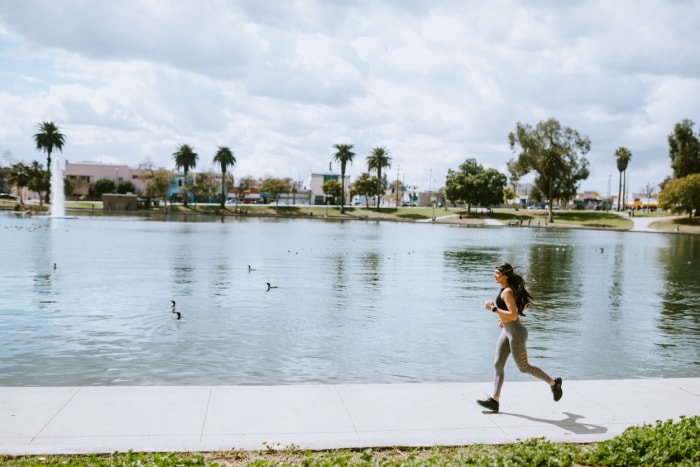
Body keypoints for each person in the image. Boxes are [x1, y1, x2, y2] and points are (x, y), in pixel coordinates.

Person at [477, 263, 562, 413]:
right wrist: (503, 320)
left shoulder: (507, 291)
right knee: (498, 364)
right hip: (508, 332)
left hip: (517, 334)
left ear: (505, 276)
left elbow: (514, 314)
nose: (494, 275)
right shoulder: (507, 290)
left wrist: (493, 309)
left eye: (497, 273)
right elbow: (523, 306)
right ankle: (494, 401)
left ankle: (554, 383)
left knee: (524, 368)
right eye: (495, 272)